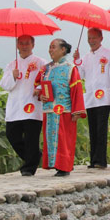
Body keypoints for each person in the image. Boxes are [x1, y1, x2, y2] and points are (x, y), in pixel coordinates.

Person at [35, 39, 86, 177]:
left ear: (63, 50)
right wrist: (40, 95)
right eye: (49, 47)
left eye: (53, 47)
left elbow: (77, 90)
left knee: (64, 139)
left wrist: (77, 111)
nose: (50, 50)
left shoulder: (70, 68)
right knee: (51, 138)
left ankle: (64, 167)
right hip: (49, 109)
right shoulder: (45, 69)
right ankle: (55, 165)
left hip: (64, 110)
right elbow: (38, 86)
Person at [72, 28, 110, 169]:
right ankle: (93, 159)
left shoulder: (109, 53)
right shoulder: (86, 57)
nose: (91, 41)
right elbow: (80, 75)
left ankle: (101, 160)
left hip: (105, 95)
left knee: (101, 127)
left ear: (101, 38)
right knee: (92, 127)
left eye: (94, 38)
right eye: (89, 38)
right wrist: (77, 60)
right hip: (91, 97)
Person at [0, 35, 46, 176]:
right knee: (12, 135)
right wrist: (12, 76)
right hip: (16, 106)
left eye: (27, 43)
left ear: (33, 45)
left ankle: (29, 168)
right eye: (21, 43)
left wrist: (41, 89)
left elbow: (48, 81)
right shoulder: (12, 64)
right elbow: (4, 85)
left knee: (31, 138)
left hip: (32, 105)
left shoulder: (41, 63)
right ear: (17, 45)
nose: (24, 46)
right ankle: (34, 156)